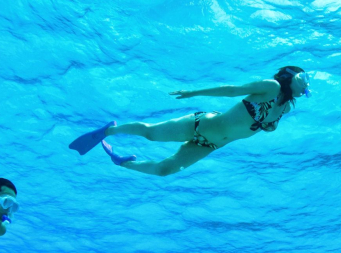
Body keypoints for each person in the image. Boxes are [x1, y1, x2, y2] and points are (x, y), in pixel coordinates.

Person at [69, 66, 311, 176]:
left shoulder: (285, 108)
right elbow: (231, 90)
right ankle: (109, 131)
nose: (306, 84)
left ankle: (121, 163)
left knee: (165, 170)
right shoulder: (271, 87)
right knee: (151, 133)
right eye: (304, 78)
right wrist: (193, 93)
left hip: (210, 145)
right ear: (291, 75)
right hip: (202, 124)